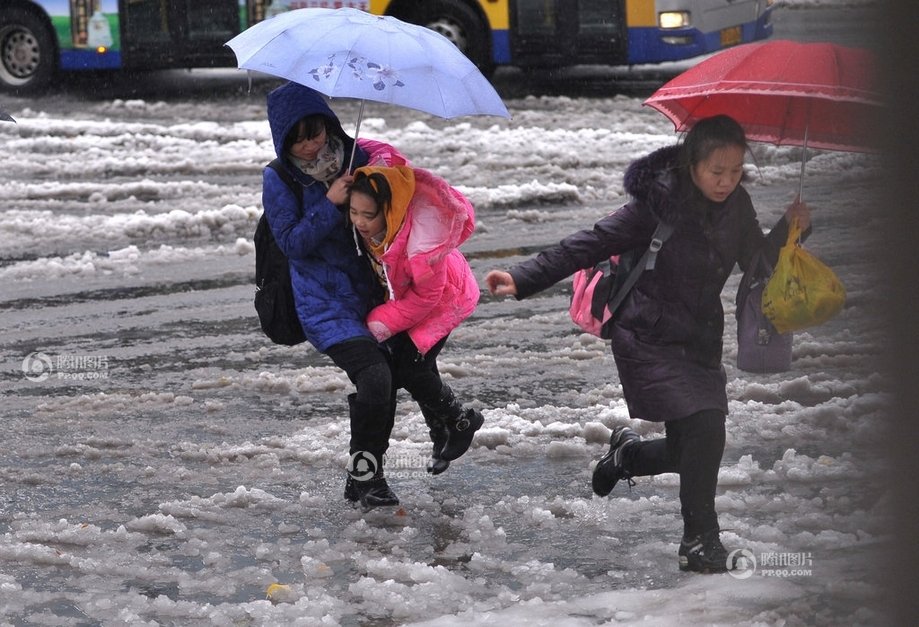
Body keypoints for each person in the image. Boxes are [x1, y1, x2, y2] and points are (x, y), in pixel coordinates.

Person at [484, 115, 810, 573]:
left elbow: (757, 262)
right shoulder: (655, 204)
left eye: (735, 171)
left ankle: (627, 455)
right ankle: (699, 543)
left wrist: (790, 230)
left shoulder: (737, 205)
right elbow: (588, 244)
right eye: (717, 171)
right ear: (691, 162)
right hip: (647, 336)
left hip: (699, 338)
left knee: (690, 449)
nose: (726, 180)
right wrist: (521, 277)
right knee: (706, 429)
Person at [262, 81, 411, 510]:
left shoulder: (356, 158)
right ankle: (368, 477)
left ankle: (362, 474)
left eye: (317, 133)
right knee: (375, 376)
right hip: (322, 302)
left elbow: (394, 202)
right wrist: (330, 203)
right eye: (299, 138)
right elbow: (291, 243)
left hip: (372, 292)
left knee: (389, 379)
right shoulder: (278, 178)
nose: (311, 146)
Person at [348, 165, 484, 476]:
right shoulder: (366, 232)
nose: (359, 222)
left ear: (390, 212)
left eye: (368, 215)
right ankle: (442, 436)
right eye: (354, 212)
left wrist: (379, 321)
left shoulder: (422, 248)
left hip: (445, 301)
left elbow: (428, 298)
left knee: (410, 368)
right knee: (420, 368)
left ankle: (461, 420)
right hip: (408, 303)